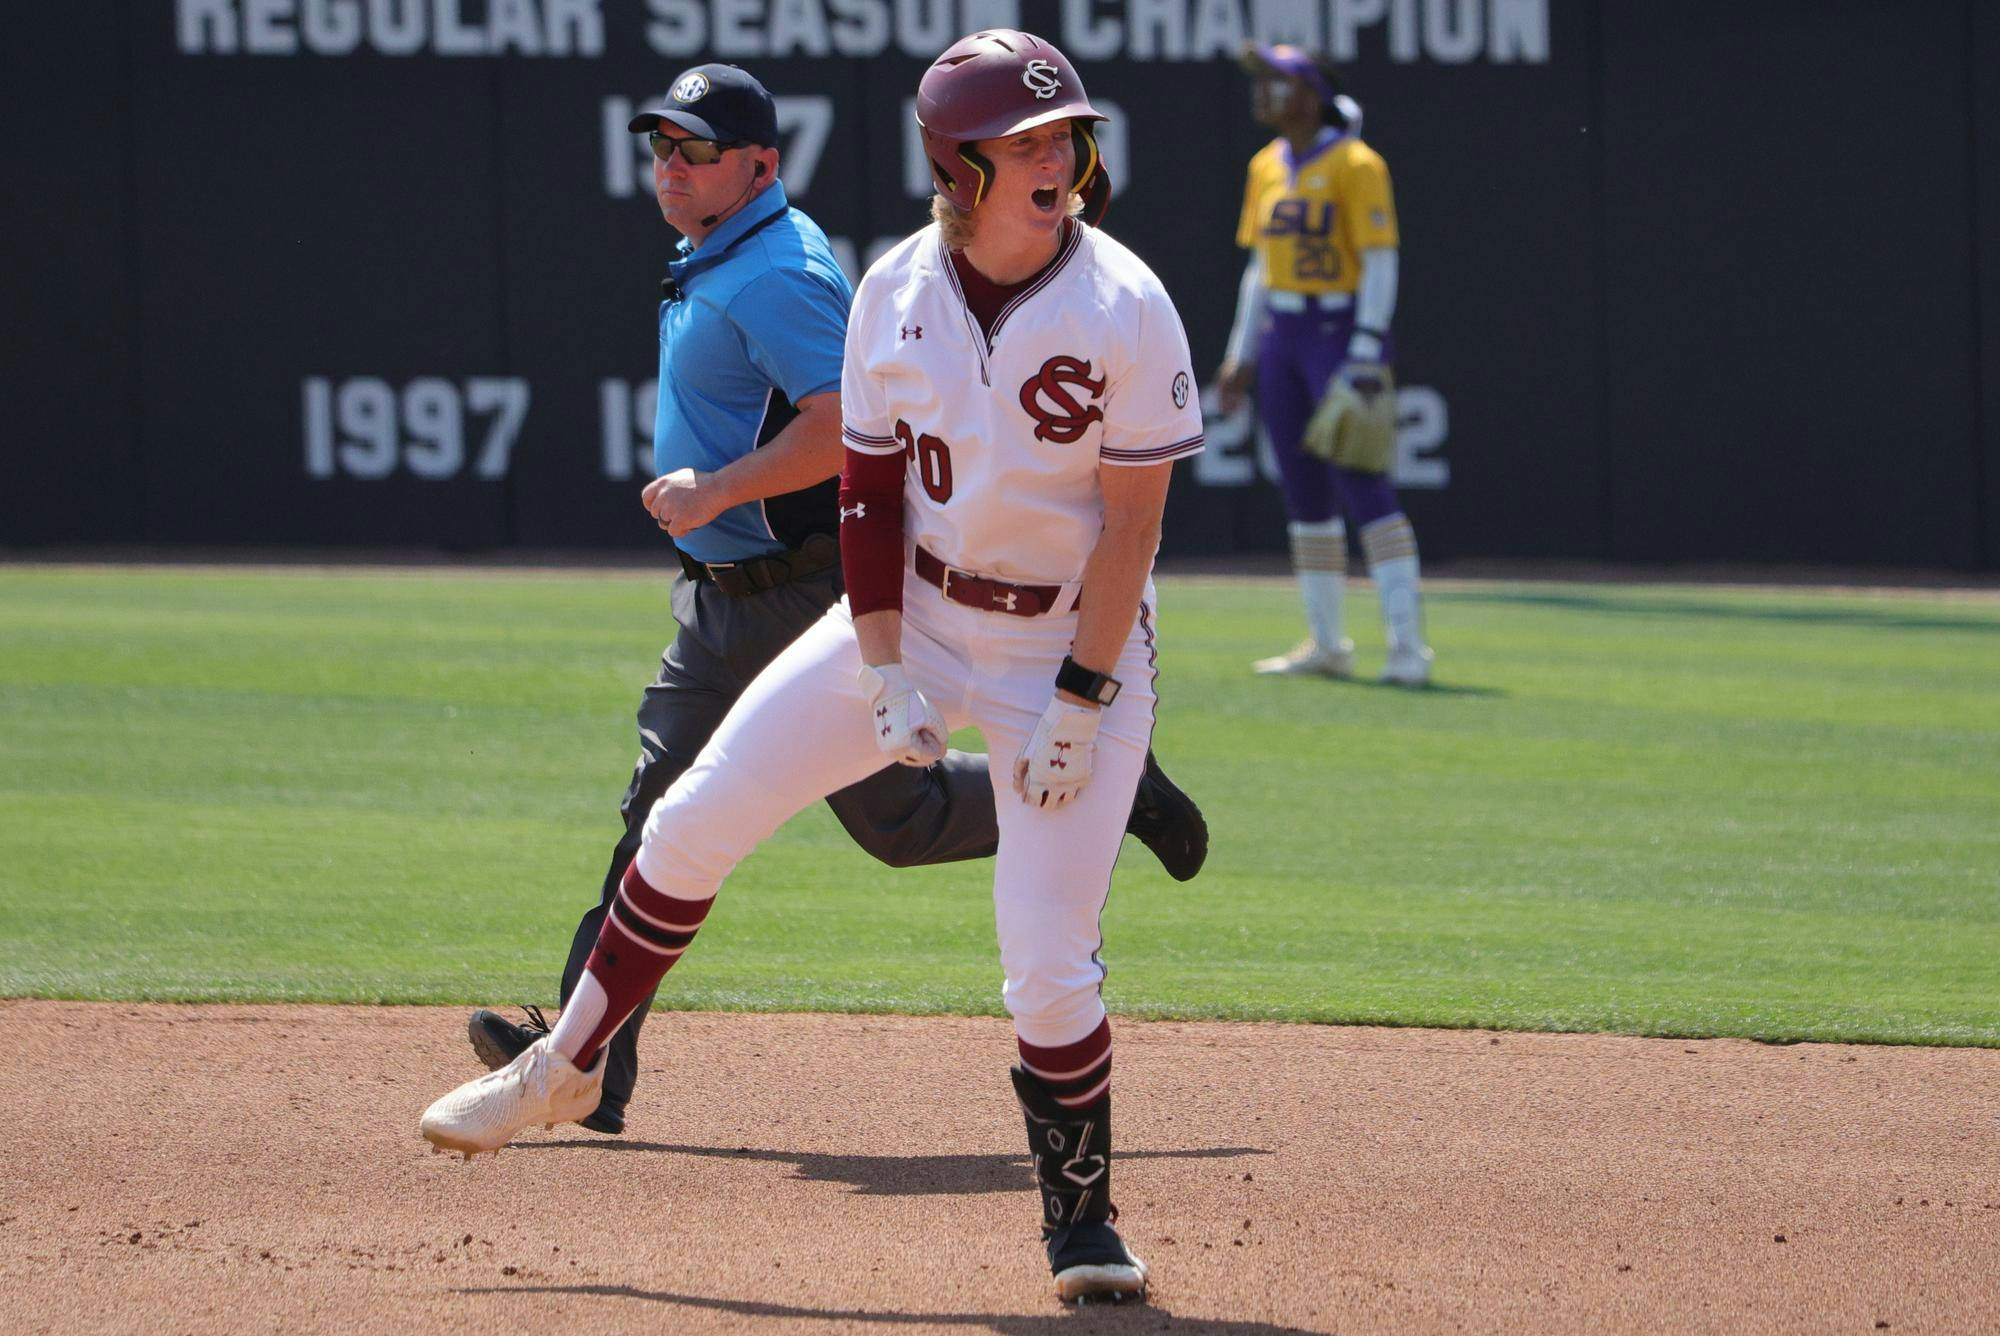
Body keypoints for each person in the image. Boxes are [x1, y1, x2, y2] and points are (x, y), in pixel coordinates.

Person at [422, 30, 1202, 1304]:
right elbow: (867, 494)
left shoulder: (1125, 301)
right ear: (957, 162)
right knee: (689, 817)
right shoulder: (894, 289)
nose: (1055, 158)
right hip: (922, 613)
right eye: (1025, 141)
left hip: (1067, 641)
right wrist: (885, 657)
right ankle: (563, 1065)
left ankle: (1082, 1229)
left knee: (1046, 961)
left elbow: (1132, 528)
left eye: (1064, 136)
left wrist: (1082, 694)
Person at [1216, 44, 1434, 686]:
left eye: (1275, 82)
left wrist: (1367, 345)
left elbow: (1381, 258)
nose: (1261, 93)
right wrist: (1241, 351)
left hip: (1339, 330)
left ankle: (1408, 647)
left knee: (1363, 480)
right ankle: (1327, 642)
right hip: (1285, 331)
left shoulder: (1356, 162)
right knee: (1302, 487)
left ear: (1309, 94)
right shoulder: (1266, 165)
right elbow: (1260, 267)